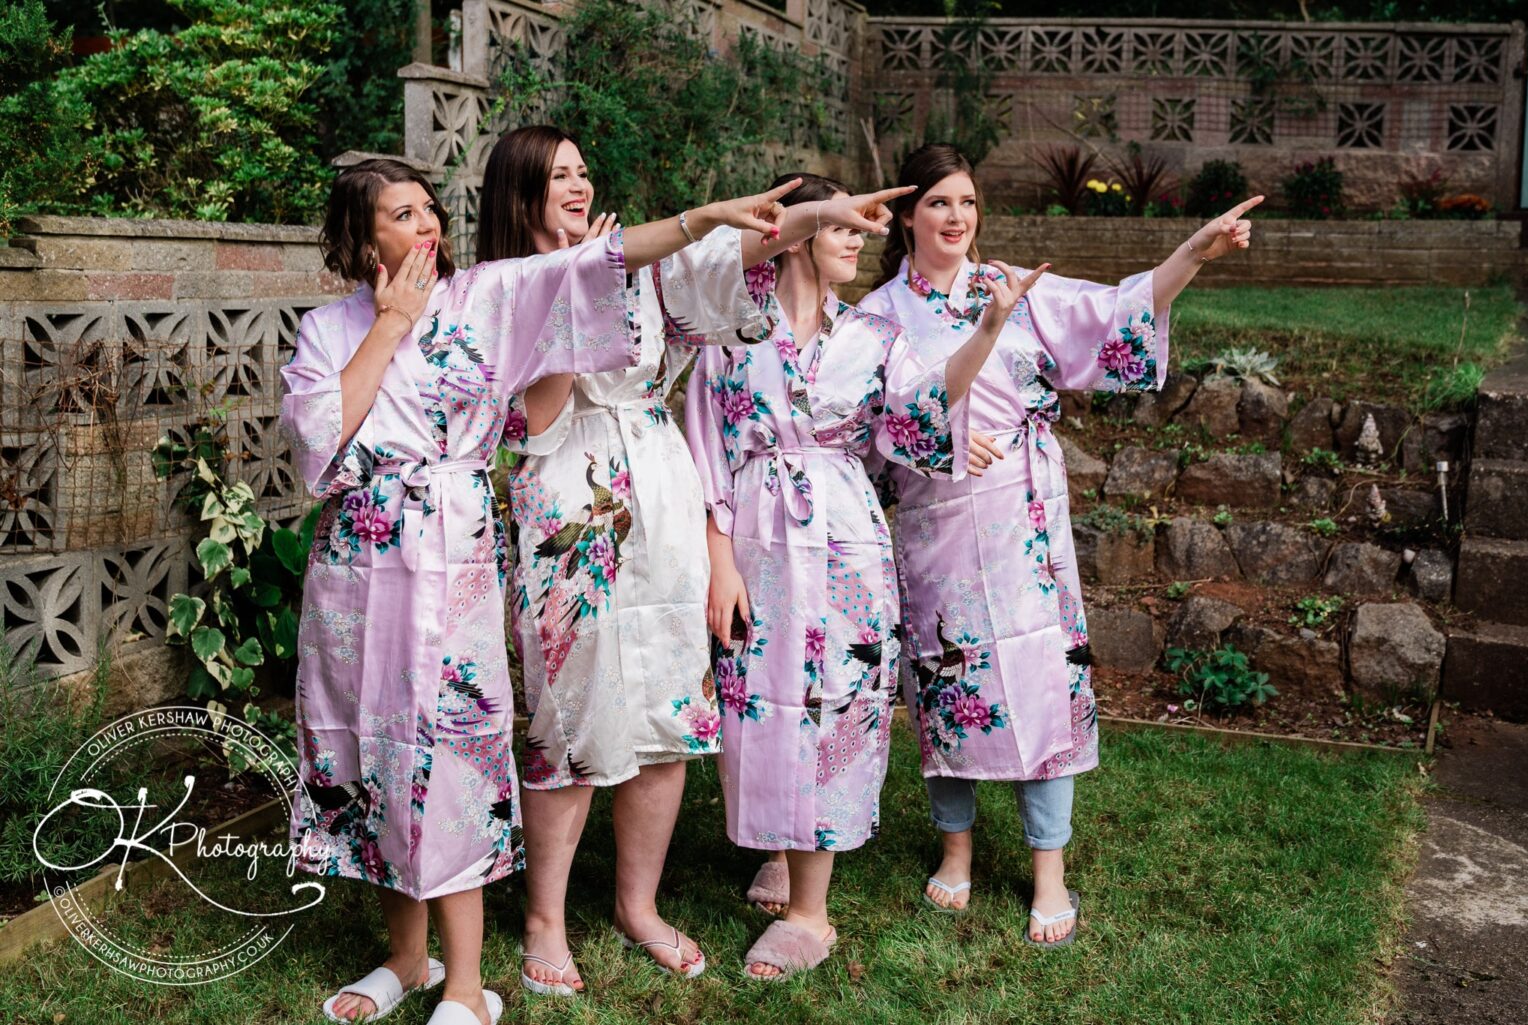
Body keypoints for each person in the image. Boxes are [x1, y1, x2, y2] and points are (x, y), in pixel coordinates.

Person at [280, 157, 796, 1025]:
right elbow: (315, 449)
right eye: (403, 215)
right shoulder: (327, 331)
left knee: (452, 749)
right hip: (356, 572)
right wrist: (389, 325)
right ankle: (406, 959)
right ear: (361, 238)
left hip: (450, 553)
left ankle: (467, 985)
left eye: (431, 210)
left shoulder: (482, 296)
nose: (427, 227)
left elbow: (597, 264)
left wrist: (702, 215)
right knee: (371, 748)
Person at [481, 126, 908, 996]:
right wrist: (576, 281)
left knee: (672, 706)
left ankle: (638, 903)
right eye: (558, 174)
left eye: (583, 169)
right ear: (520, 193)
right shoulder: (503, 288)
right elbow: (537, 417)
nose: (577, 182)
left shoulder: (630, 265)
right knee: (568, 715)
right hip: (573, 498)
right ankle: (545, 918)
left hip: (661, 490)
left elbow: (720, 259)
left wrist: (814, 213)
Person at [859, 143, 1260, 946]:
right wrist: (934, 438)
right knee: (947, 681)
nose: (956, 218)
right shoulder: (877, 316)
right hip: (936, 526)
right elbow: (867, 424)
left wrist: (1194, 251)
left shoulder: (1013, 289)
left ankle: (1050, 868)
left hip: (1026, 522)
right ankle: (957, 848)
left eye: (968, 203)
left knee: (1044, 680)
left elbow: (1116, 311)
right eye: (939, 202)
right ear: (907, 215)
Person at [685, 171, 1035, 979]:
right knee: (761, 700)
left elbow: (919, 412)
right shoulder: (730, 329)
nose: (857, 242)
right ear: (801, 232)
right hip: (755, 535)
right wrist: (718, 558)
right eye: (843, 228)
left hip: (844, 542)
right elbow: (706, 444)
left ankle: (812, 912)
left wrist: (985, 329)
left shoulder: (871, 336)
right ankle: (781, 843)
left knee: (835, 700)